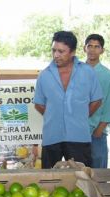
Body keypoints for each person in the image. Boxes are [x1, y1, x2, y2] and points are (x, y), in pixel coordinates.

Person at [33, 31, 103, 169]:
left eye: (61, 51)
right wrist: (54, 115)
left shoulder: (87, 72)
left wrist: (81, 116)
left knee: (82, 179)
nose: (56, 55)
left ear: (72, 52)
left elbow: (97, 100)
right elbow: (39, 104)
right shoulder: (44, 75)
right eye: (54, 50)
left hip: (79, 136)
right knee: (49, 180)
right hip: (51, 136)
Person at [84, 34, 110, 168]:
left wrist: (100, 128)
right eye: (89, 46)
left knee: (98, 171)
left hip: (97, 130)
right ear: (84, 48)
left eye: (96, 47)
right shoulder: (74, 71)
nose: (92, 50)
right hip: (76, 130)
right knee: (77, 170)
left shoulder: (108, 76)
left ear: (102, 50)